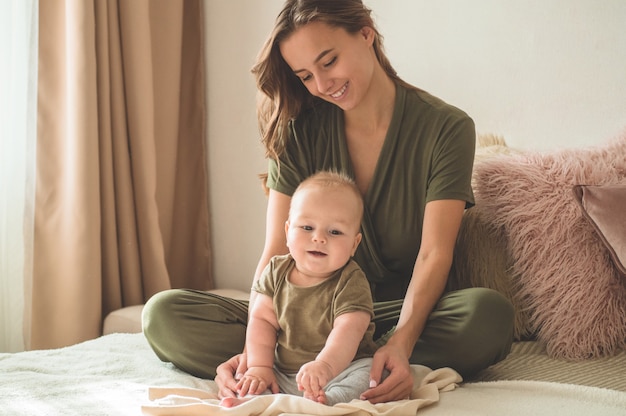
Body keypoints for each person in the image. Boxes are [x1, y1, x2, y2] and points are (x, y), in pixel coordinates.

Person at [142, 0, 514, 404]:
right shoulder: (296, 129)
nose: (321, 84)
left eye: (329, 61)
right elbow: (277, 248)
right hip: (297, 317)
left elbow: (434, 255)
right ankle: (322, 365)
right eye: (305, 75)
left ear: (366, 33)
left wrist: (401, 344)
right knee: (163, 315)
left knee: (488, 316)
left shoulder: (446, 128)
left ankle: (371, 359)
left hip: (393, 315)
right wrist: (254, 352)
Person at [221, 171, 378, 407]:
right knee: (252, 378)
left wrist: (324, 366)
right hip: (284, 372)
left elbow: (348, 330)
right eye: (306, 227)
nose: (319, 238)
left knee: (371, 374)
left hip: (341, 369)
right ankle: (252, 400)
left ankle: (330, 401)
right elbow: (261, 321)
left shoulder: (351, 280)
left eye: (334, 231)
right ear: (287, 232)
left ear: (354, 244)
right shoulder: (276, 271)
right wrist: (260, 367)